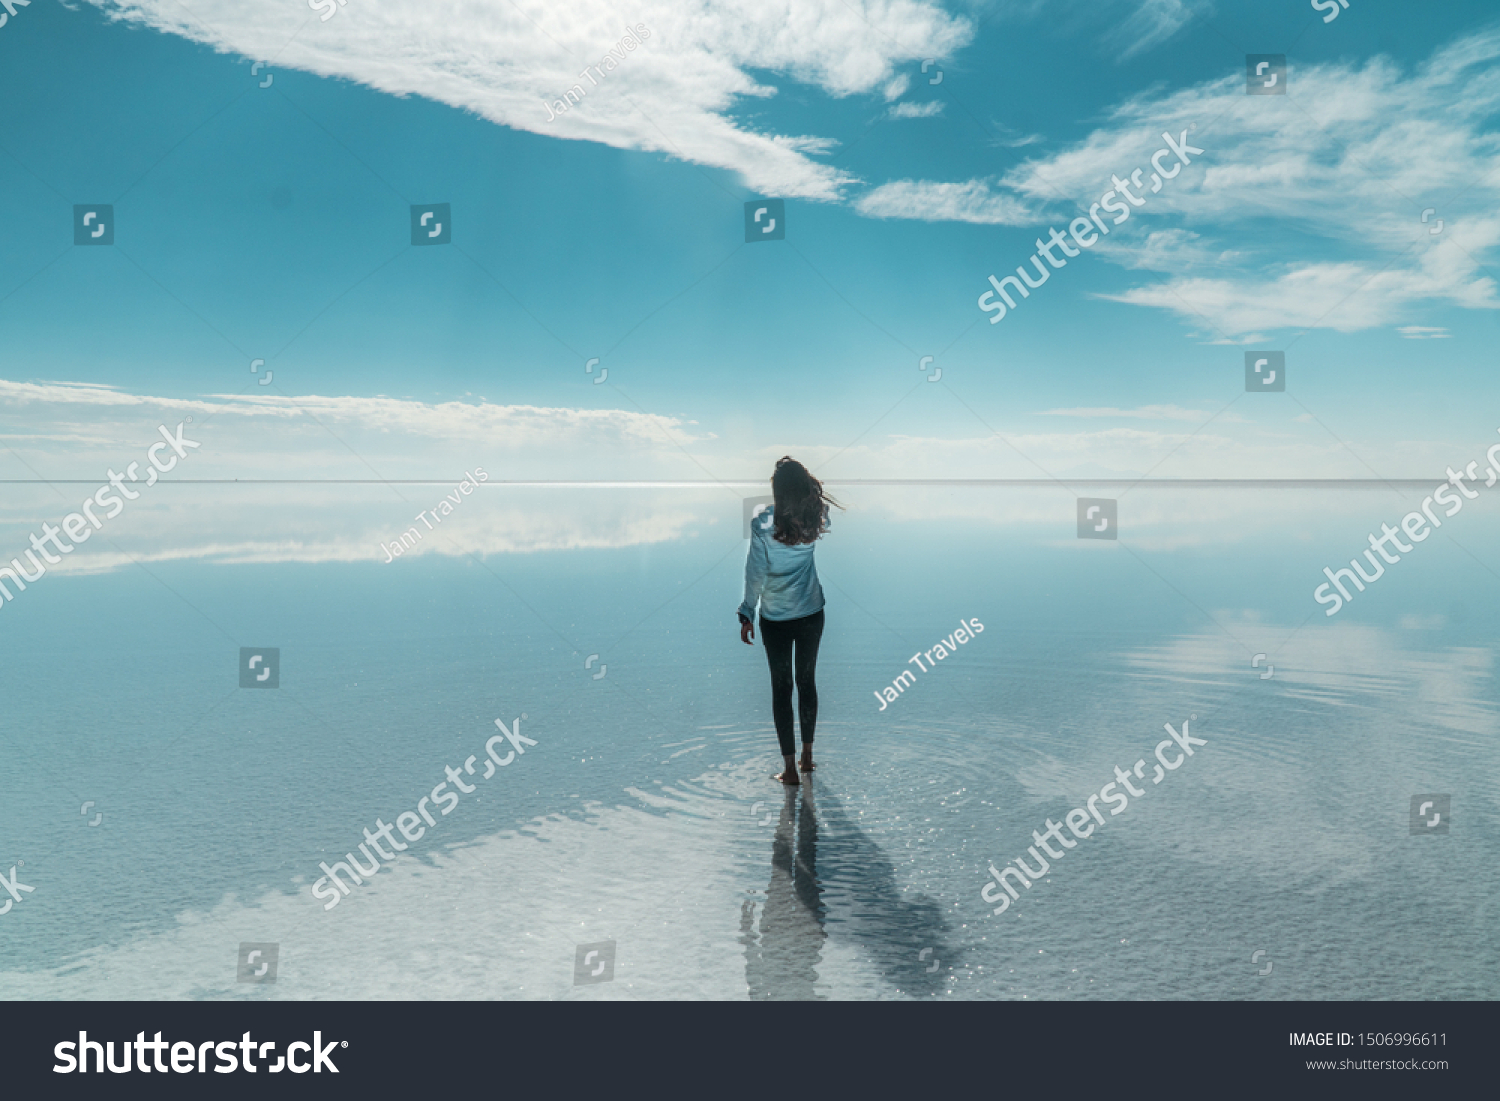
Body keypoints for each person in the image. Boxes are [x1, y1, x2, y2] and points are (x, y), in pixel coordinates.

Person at [738, 457, 841, 785]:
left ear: (777, 491)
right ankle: (808, 757)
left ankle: (790, 769)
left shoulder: (763, 522)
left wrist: (746, 611)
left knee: (781, 689)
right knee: (807, 682)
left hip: (776, 618)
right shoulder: (817, 517)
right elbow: (822, 516)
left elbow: (756, 571)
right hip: (811, 612)